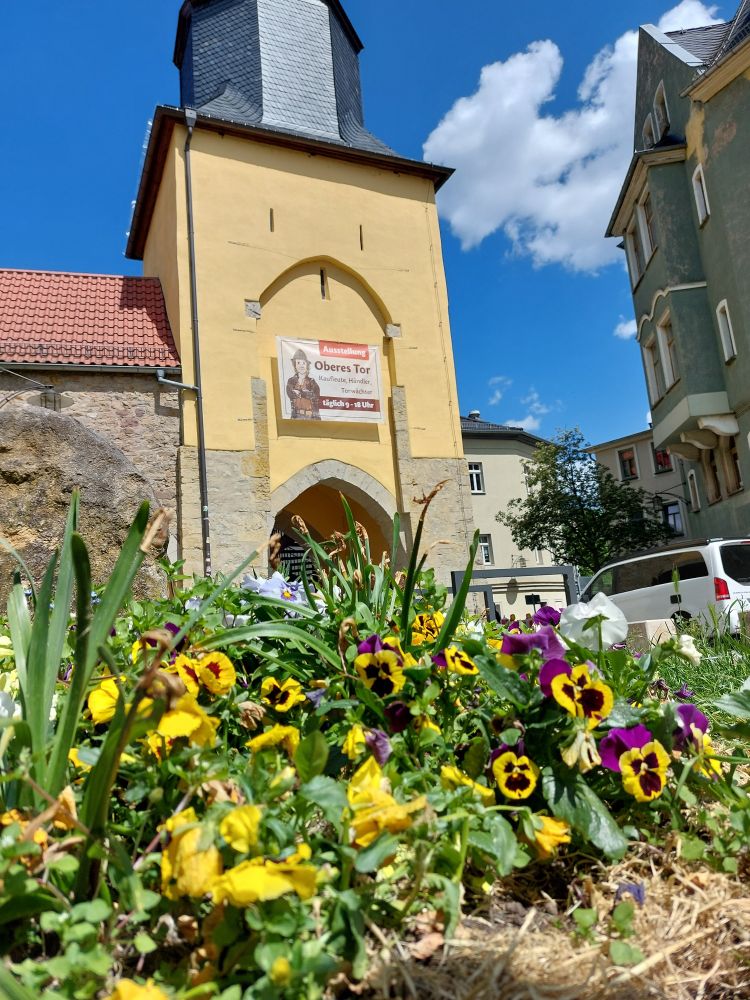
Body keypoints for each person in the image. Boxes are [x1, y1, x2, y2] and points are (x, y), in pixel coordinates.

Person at [286, 348, 321, 420]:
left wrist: (301, 393)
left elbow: (315, 396)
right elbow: (291, 394)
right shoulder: (291, 381)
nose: (301, 366)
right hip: (296, 416)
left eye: (303, 363)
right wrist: (304, 393)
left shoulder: (312, 382)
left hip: (311, 417)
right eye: (298, 363)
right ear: (295, 365)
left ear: (307, 366)